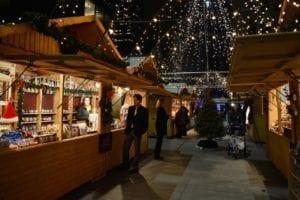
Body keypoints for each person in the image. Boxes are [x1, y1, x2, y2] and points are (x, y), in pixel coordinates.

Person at [122, 94, 148, 173]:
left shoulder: (144, 110)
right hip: (130, 131)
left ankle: (134, 167)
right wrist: (126, 130)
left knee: (137, 151)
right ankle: (126, 165)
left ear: (140, 100)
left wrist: (141, 132)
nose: (134, 101)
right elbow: (129, 120)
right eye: (133, 100)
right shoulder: (131, 108)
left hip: (137, 132)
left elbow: (145, 123)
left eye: (135, 100)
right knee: (125, 148)